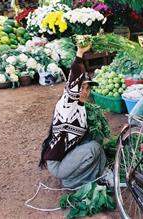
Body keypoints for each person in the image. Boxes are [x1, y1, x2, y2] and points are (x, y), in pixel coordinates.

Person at [39, 45, 107, 188]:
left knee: (97, 142)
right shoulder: (67, 105)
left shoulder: (81, 108)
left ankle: (100, 174)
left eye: (88, 88)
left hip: (67, 157)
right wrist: (80, 54)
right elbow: (73, 83)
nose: (85, 91)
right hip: (58, 164)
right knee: (93, 148)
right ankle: (73, 181)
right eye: (82, 87)